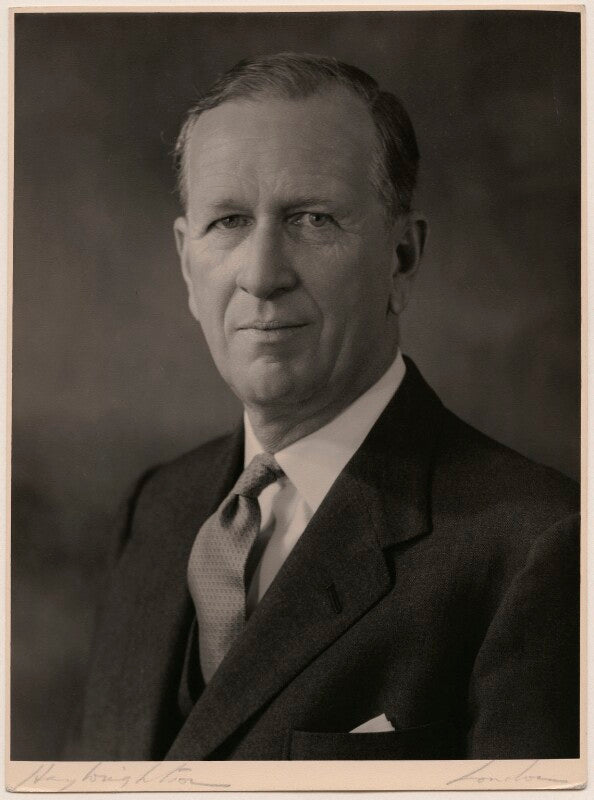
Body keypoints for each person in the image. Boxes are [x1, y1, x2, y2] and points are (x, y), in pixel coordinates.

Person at [66, 52, 579, 761]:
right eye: (229, 221)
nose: (261, 275)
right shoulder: (154, 512)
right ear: (187, 264)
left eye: (312, 219)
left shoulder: (538, 547)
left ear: (402, 258)